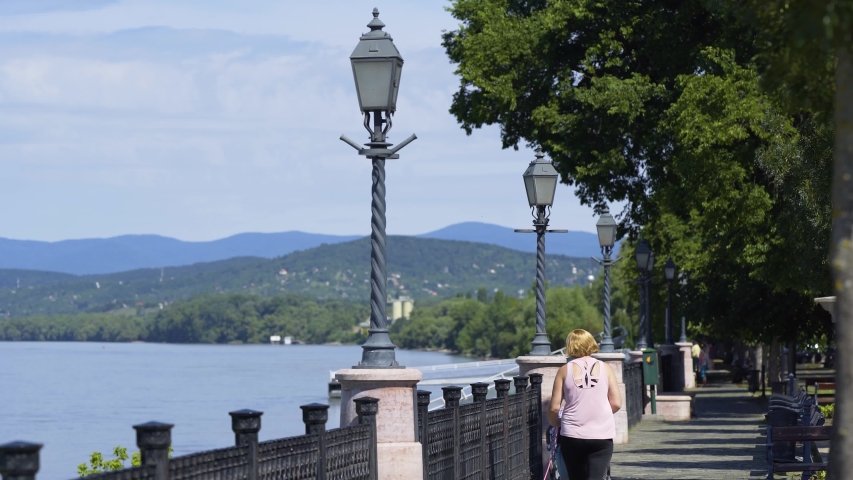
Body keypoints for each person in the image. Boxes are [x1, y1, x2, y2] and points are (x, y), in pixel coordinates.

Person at [547, 329, 622, 480]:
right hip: (601, 435)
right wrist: (601, 414)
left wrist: (556, 422)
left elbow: (554, 407)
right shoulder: (606, 368)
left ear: (570, 345)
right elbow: (617, 403)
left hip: (572, 435)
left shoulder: (564, 371)